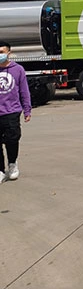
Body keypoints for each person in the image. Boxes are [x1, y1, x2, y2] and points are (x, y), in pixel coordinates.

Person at [0, 41, 32, 183]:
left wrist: (27, 110)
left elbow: (24, 91)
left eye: (1, 52)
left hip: (11, 111)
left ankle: (12, 164)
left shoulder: (17, 69)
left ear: (8, 53)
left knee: (12, 139)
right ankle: (0, 170)